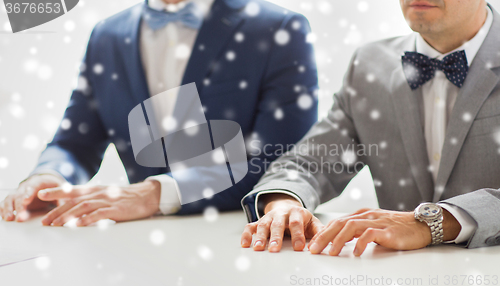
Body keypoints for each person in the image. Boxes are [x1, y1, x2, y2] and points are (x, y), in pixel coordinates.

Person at [0, 0, 318, 225]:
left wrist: (156, 193)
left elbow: (282, 162)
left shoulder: (278, 28)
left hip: (238, 236)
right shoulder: (106, 35)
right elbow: (75, 144)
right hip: (137, 245)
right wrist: (48, 177)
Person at [240, 0, 500, 256]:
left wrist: (432, 223)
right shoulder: (369, 65)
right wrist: (286, 201)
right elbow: (311, 162)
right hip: (395, 274)